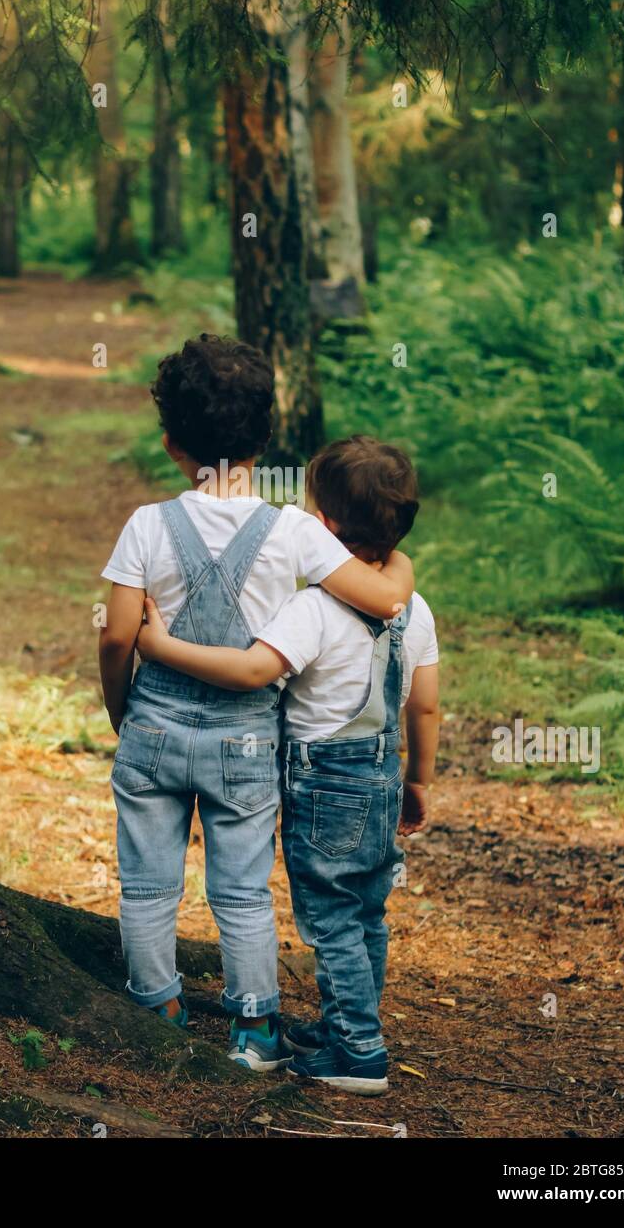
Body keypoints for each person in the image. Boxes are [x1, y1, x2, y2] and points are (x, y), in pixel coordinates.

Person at [99, 339, 414, 1069]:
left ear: (170, 440)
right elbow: (387, 599)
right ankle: (254, 1030)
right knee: (240, 890)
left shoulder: (147, 525)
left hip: (153, 726)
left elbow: (120, 637)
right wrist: (398, 555)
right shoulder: (294, 531)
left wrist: (124, 713)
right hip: (246, 744)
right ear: (264, 438)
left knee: (146, 881)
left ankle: (157, 1008)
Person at [137, 434, 439, 1093]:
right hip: (381, 774)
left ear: (323, 527)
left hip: (322, 783)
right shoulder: (413, 609)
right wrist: (417, 778)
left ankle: (358, 1052)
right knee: (365, 913)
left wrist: (159, 647)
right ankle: (347, 1026)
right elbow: (424, 707)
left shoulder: (312, 608)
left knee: (329, 919)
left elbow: (250, 670)